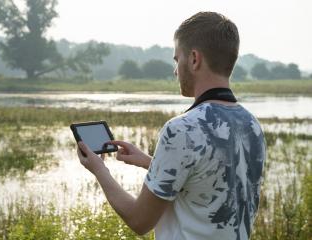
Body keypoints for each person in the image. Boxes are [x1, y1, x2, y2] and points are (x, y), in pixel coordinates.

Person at [76, 11, 266, 240]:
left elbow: (139, 220)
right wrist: (152, 163)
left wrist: (99, 170)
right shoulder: (251, 125)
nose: (175, 70)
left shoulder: (182, 129)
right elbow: (206, 184)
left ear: (194, 59)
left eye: (177, 59)